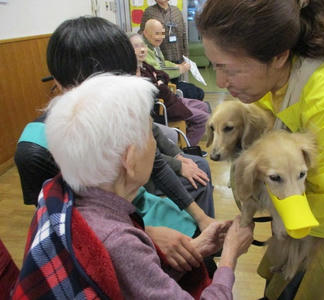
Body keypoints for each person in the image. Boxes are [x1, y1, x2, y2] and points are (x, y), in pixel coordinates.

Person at [197, 0, 324, 299]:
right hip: (313, 232)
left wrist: (252, 188)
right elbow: (266, 125)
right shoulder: (285, 76)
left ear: (278, 55)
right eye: (215, 67)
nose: (223, 83)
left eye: (230, 69)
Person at [13, 74, 255, 299]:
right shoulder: (118, 241)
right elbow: (129, 261)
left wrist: (199, 247)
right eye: (151, 135)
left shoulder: (61, 196)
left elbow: (134, 280)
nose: (157, 147)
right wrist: (229, 258)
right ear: (128, 159)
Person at [14, 16, 211, 271]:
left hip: (136, 211)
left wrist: (201, 217)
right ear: (63, 85)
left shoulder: (124, 109)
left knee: (201, 254)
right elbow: (60, 225)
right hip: (106, 242)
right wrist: (146, 234)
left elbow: (157, 165)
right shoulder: (36, 148)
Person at [130, 33, 209, 146]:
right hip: (165, 108)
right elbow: (156, 91)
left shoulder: (145, 65)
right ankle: (188, 149)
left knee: (203, 106)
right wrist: (160, 83)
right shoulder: (133, 71)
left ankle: (187, 139)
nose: (142, 49)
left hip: (172, 100)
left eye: (143, 45)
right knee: (203, 118)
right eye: (136, 46)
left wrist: (159, 82)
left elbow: (164, 76)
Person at [142, 19, 205, 101]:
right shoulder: (144, 49)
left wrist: (178, 66)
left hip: (163, 83)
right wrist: (180, 69)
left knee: (196, 91)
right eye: (157, 33)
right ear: (146, 33)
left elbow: (162, 63)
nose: (160, 37)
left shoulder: (154, 46)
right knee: (198, 93)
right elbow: (158, 70)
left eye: (162, 33)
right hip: (158, 88)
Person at [139, 0, 187, 64]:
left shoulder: (176, 11)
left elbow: (183, 33)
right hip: (159, 58)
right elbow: (142, 35)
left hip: (179, 56)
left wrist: (186, 55)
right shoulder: (149, 12)